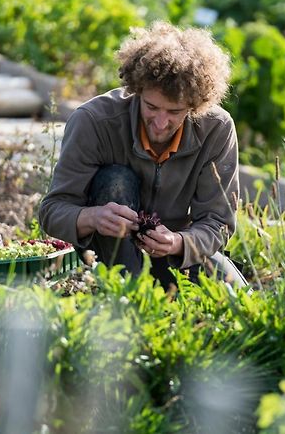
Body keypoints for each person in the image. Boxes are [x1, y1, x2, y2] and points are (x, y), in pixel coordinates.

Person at [39, 21, 246, 290]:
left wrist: (178, 242)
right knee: (116, 179)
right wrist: (93, 217)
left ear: (195, 106)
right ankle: (129, 292)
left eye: (174, 112)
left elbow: (218, 221)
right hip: (107, 256)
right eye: (151, 107)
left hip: (175, 252)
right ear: (136, 90)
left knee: (237, 299)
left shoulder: (216, 128)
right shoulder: (93, 121)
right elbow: (52, 211)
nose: (161, 123)